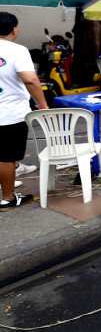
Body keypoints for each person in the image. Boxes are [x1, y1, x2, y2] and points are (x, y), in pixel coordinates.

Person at [0, 12, 48, 210]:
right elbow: (30, 80)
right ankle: (8, 198)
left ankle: (6, 185)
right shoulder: (17, 51)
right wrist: (43, 105)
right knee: (6, 157)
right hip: (9, 113)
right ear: (14, 29)